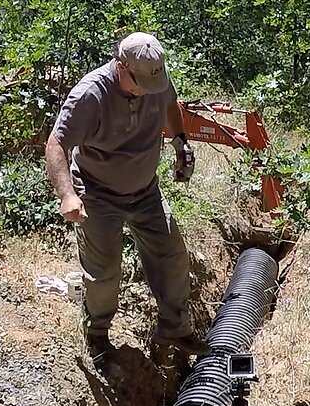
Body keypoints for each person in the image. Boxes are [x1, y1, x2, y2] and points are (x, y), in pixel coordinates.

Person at [44, 31, 208, 358]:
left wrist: (180, 142)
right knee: (104, 272)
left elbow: (169, 103)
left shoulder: (153, 78)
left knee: (172, 256)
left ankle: (173, 328)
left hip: (145, 190)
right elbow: (56, 144)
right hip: (98, 193)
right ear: (121, 67)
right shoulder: (90, 95)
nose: (148, 92)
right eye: (141, 86)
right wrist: (67, 195)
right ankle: (98, 336)